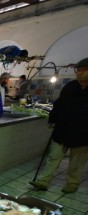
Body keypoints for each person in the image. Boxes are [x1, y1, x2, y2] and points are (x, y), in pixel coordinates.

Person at [29, 57, 88, 193]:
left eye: (83, 70)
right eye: (78, 70)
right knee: (53, 158)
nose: (79, 73)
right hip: (62, 130)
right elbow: (59, 105)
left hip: (83, 135)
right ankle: (42, 181)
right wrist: (52, 119)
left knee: (76, 163)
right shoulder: (70, 87)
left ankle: (71, 185)